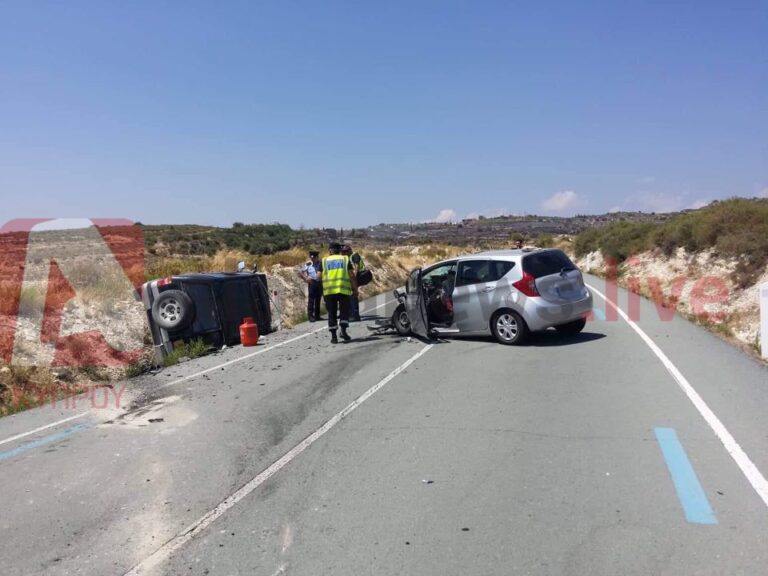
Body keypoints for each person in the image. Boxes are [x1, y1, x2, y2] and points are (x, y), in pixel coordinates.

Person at [322, 242, 358, 343]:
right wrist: (355, 289)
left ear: (330, 250)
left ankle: (334, 337)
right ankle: (343, 331)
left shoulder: (324, 261)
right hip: (343, 291)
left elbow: (318, 276)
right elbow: (352, 275)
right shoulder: (345, 259)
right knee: (344, 312)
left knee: (332, 313)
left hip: (329, 291)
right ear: (340, 250)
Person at [341, 244, 365, 321]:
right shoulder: (347, 258)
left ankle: (355, 314)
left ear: (349, 251)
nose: (343, 253)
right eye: (342, 252)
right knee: (351, 297)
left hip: (356, 278)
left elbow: (356, 268)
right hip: (352, 279)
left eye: (344, 252)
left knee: (353, 296)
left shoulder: (354, 256)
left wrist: (353, 279)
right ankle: (352, 313)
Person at [298, 250, 322, 322]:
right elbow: (300, 272)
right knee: (311, 299)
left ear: (317, 257)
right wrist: (306, 278)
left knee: (318, 299)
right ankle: (310, 316)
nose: (312, 259)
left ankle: (317, 315)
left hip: (319, 282)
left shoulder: (320, 263)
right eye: (311, 257)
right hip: (312, 282)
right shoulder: (308, 264)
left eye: (314, 257)